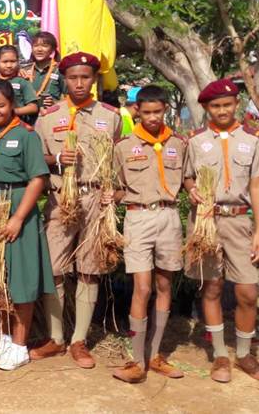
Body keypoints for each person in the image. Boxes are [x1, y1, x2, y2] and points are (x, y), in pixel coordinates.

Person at [32, 52, 121, 369]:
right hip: (61, 199)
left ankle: (79, 340)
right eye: (73, 77)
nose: (79, 83)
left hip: (95, 198)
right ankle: (56, 338)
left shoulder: (110, 115)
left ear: (94, 79)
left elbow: (119, 157)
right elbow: (36, 156)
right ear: (65, 79)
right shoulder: (49, 116)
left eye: (85, 77)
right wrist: (56, 160)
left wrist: (115, 192)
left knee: (89, 269)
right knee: (54, 268)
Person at [183, 78, 259, 384]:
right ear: (207, 108)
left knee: (247, 290)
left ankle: (245, 354)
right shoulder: (195, 140)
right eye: (215, 106)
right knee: (212, 287)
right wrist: (192, 190)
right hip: (206, 221)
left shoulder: (253, 139)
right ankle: (220, 354)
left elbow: (257, 186)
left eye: (227, 104)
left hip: (238, 222)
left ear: (236, 104)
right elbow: (187, 177)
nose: (222, 110)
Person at [111, 85, 186, 383]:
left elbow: (188, 179)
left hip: (169, 217)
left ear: (165, 109)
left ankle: (155, 355)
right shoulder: (123, 146)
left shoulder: (179, 144)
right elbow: (118, 186)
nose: (153, 117)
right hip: (138, 217)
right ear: (137, 112)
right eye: (146, 112)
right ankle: (136, 359)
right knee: (142, 288)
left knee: (164, 285)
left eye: (157, 112)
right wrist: (111, 197)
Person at [0, 78, 54, 371]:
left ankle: (21, 345)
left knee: (22, 279)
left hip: (18, 208)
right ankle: (5, 336)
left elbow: (38, 179)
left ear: (12, 104)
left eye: (1, 105)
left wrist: (18, 218)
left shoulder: (26, 135)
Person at [19, 31, 64, 113]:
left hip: (52, 116)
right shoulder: (24, 71)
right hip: (28, 117)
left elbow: (69, 99)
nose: (39, 49)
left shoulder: (59, 70)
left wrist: (56, 103)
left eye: (44, 46)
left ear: (52, 49)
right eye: (36, 46)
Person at [0, 45, 39, 123]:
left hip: (19, 124)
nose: (9, 65)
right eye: (5, 62)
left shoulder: (22, 81)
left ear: (18, 62)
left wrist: (12, 112)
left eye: (12, 61)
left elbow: (33, 107)